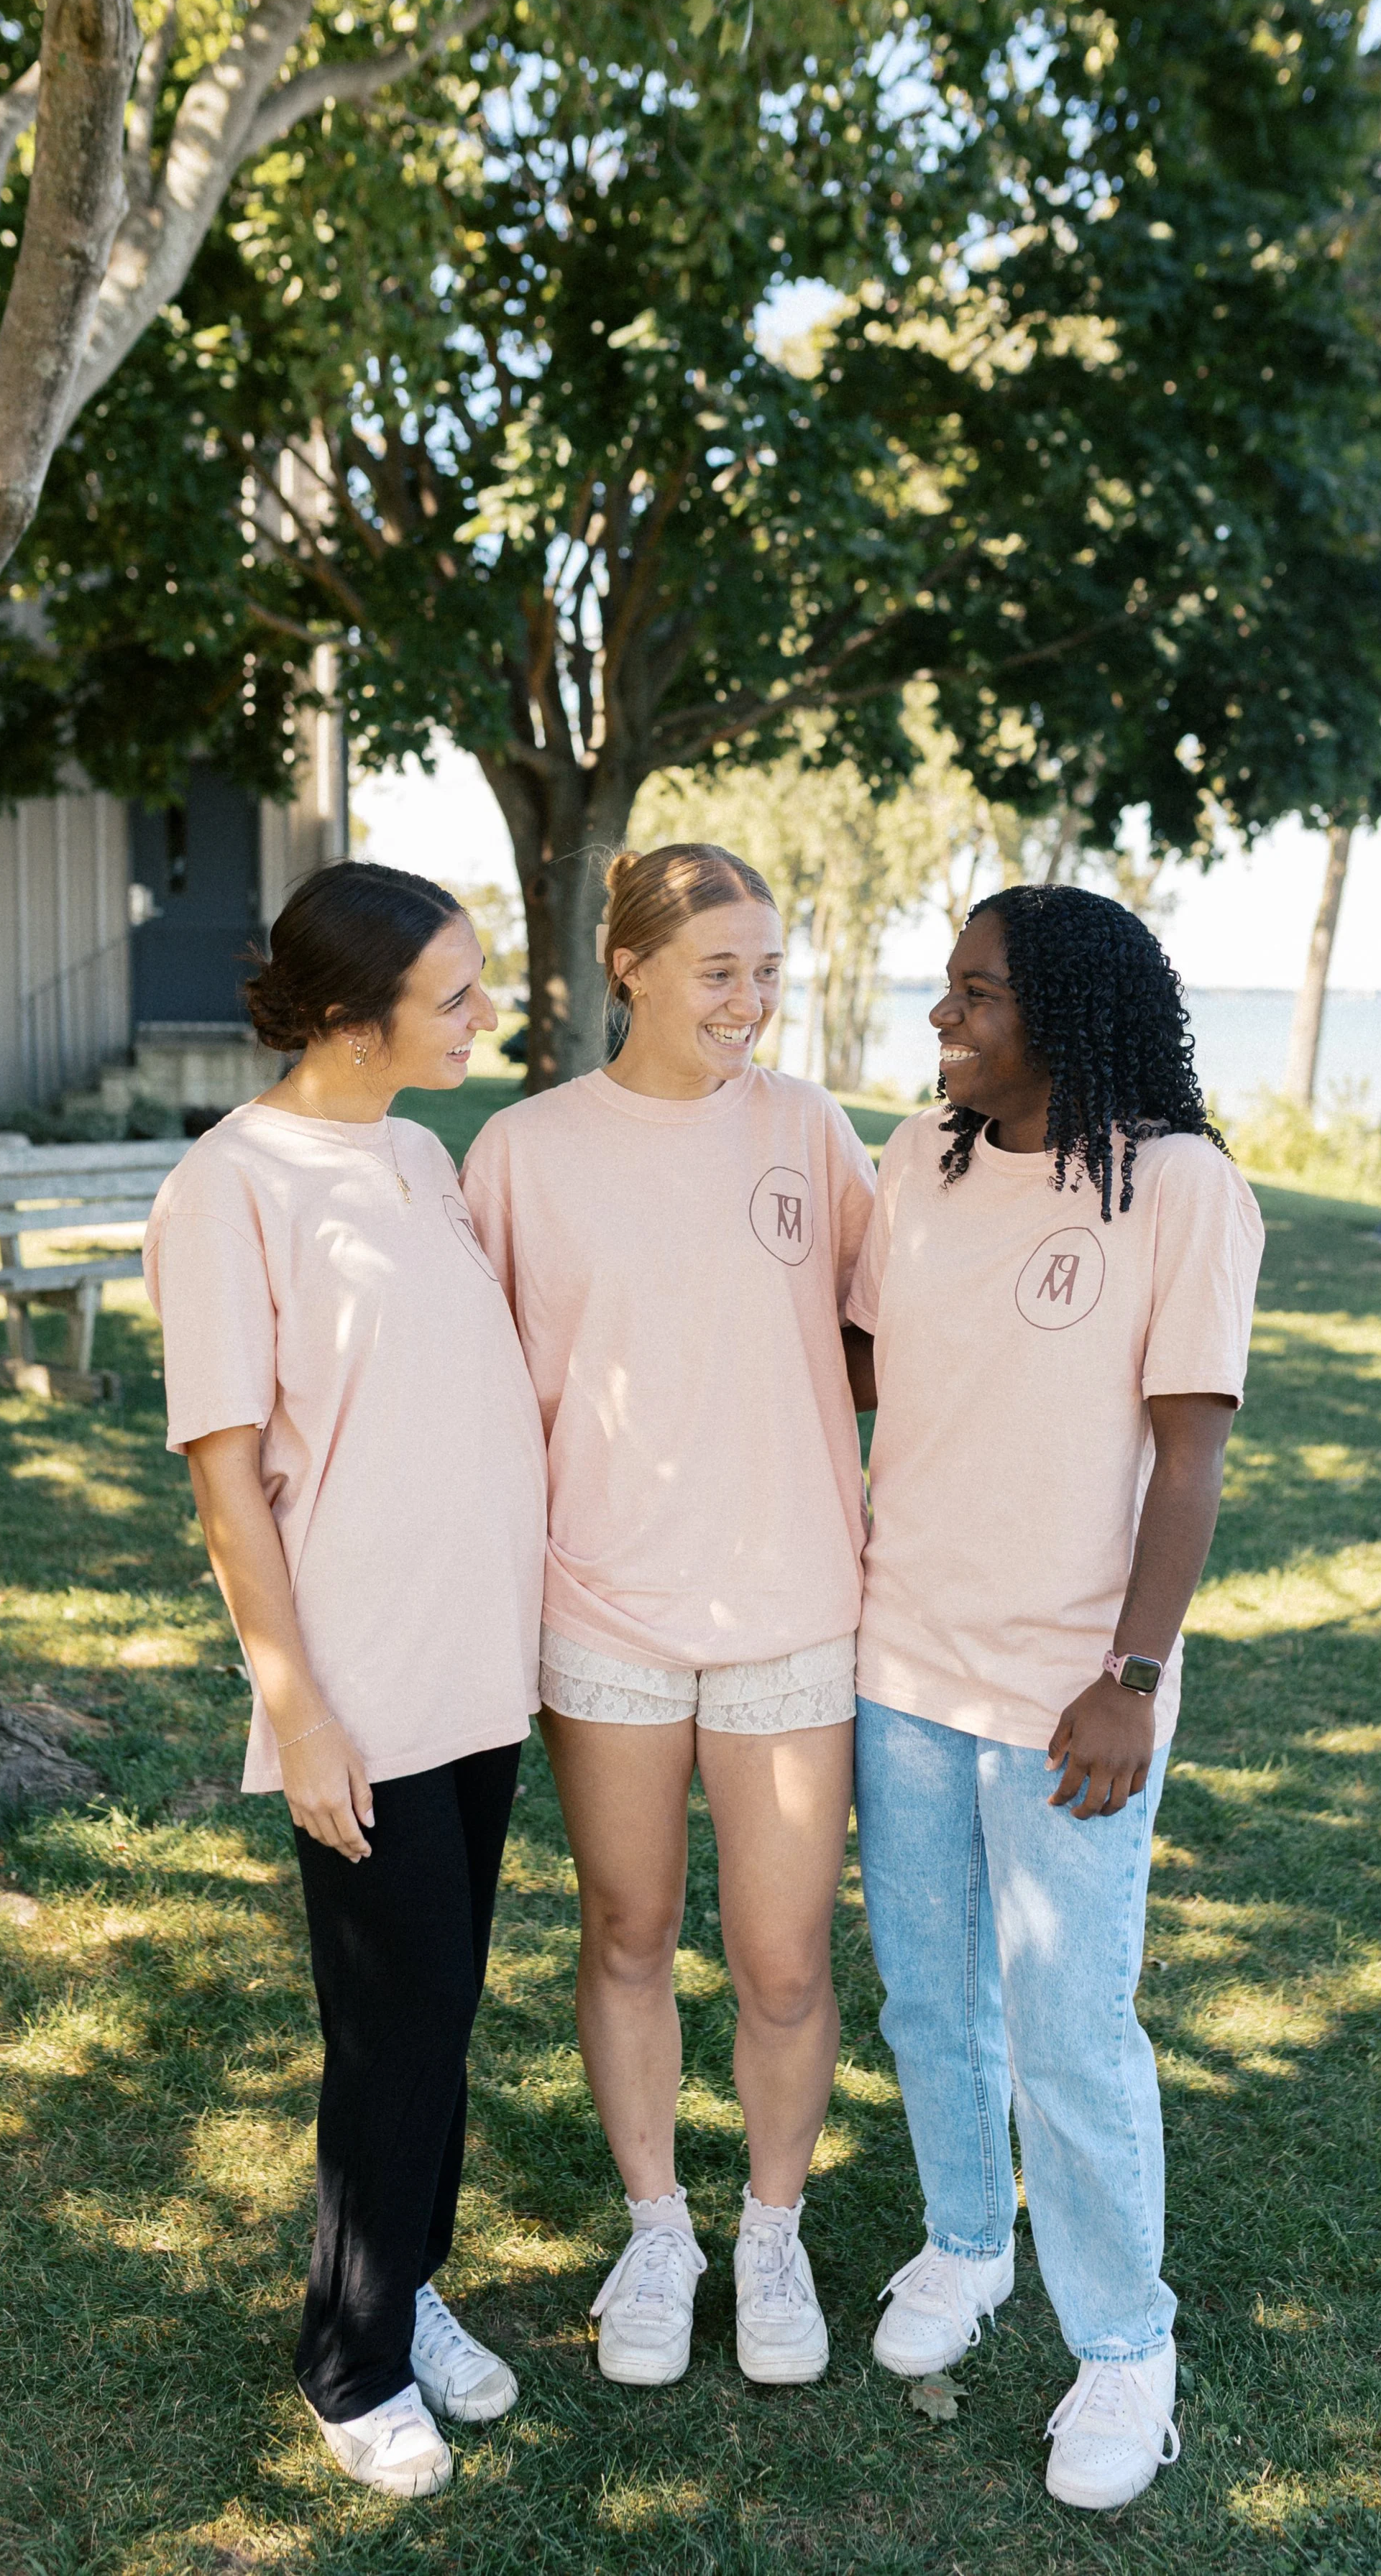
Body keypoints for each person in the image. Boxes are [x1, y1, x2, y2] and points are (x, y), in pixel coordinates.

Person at [843, 883, 1263, 2511]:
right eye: (944, 987)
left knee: (1069, 2026)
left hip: (1067, 1688)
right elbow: (870, 1359)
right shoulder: (918, 1159)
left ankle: (1121, 2343)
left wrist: (1129, 1675)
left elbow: (1189, 1454)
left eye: (974, 994)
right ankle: (964, 2241)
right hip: (899, 1659)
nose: (941, 1018)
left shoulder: (1178, 1190)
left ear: (1070, 1017)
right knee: (929, 1995)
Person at [142, 862, 547, 2502]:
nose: (481, 1017)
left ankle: (401, 2278)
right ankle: (350, 2359)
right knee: (390, 2026)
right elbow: (227, 1477)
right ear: (345, 1012)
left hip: (479, 1661)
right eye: (452, 996)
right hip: (363, 1681)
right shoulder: (230, 1188)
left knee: (438, 2013)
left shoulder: (417, 1153)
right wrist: (296, 1705)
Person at [462, 844, 876, 2390]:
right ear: (627, 966)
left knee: (779, 1961)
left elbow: (883, 1331)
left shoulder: (809, 1128)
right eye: (720, 971)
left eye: (769, 972)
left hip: (789, 1604)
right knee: (628, 1929)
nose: (750, 1002)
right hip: (601, 1606)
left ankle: (770, 2231)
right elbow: (478, 1384)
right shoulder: (519, 1150)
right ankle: (656, 2229)